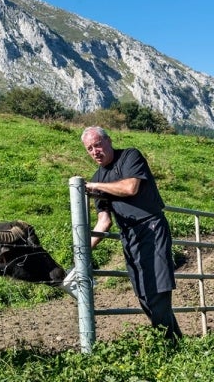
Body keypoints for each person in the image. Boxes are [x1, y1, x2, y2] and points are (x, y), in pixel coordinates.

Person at [81, 126, 181, 341]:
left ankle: (168, 343)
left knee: (157, 288)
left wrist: (94, 187)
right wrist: (82, 250)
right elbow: (104, 221)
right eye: (89, 149)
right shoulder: (97, 176)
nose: (95, 151)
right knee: (143, 292)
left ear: (108, 141)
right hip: (129, 237)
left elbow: (130, 188)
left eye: (97, 144)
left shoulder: (129, 156)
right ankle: (175, 342)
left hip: (151, 227)